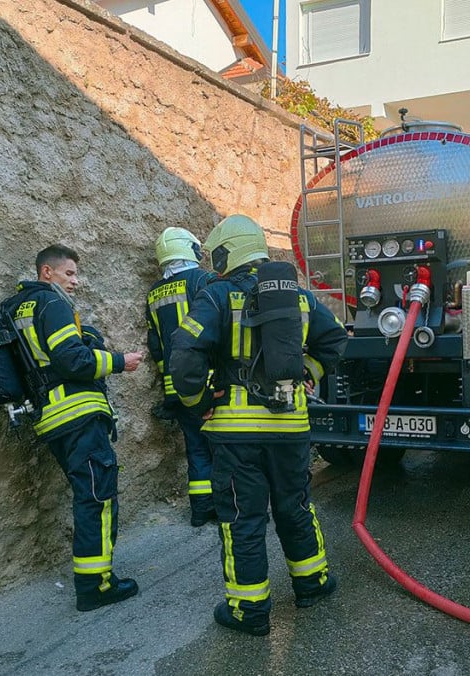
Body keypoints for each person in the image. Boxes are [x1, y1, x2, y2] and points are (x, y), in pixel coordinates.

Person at [170, 214, 348, 636]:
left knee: (243, 519)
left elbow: (183, 354)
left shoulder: (216, 296)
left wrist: (199, 404)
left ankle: (248, 611)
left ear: (227, 253)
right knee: (295, 506)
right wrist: (307, 372)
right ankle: (312, 583)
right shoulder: (299, 298)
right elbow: (336, 339)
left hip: (236, 436)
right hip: (291, 429)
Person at [2, 244, 144, 612]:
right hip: (78, 413)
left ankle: (93, 580)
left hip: (51, 417)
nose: (75, 281)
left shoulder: (17, 308)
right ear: (46, 273)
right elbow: (71, 359)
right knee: (97, 497)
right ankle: (96, 585)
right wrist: (119, 361)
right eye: (69, 273)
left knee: (88, 495)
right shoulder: (52, 303)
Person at [145, 227, 216, 527]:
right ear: (190, 249)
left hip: (176, 387)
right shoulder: (202, 280)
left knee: (196, 446)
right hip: (208, 382)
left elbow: (155, 343)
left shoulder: (154, 293)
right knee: (222, 447)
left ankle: (200, 510)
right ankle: (226, 507)